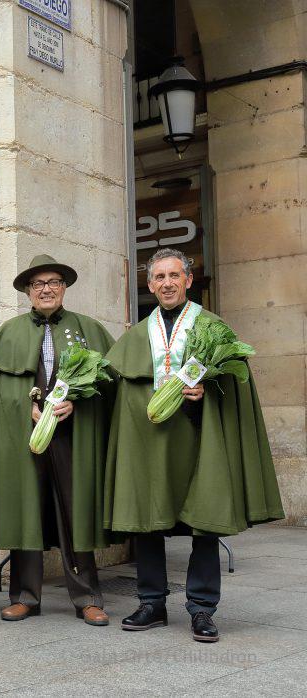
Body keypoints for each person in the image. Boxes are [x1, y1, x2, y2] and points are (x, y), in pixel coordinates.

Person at [104, 247, 284, 643]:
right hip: (149, 444)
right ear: (149, 285)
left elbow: (236, 388)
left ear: (188, 279)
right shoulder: (135, 336)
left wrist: (209, 392)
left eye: (174, 276)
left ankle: (202, 608)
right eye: (158, 278)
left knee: (205, 521)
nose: (166, 283)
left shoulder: (213, 327)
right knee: (146, 520)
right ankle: (151, 601)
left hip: (201, 440)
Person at [0, 255, 114, 626]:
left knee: (76, 511)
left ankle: (87, 597)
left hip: (72, 437)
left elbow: (109, 382)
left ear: (64, 288)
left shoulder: (88, 328)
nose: (46, 289)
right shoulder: (9, 332)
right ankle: (25, 596)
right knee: (25, 509)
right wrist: (23, 408)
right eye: (38, 284)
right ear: (27, 291)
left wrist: (77, 402)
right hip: (23, 438)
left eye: (53, 282)